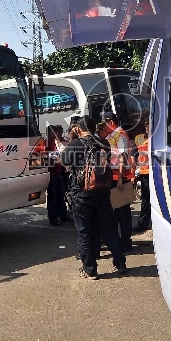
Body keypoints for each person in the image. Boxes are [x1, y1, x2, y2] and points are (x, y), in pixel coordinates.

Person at [60, 116, 127, 279]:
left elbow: (64, 161)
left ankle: (90, 270)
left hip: (82, 194)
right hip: (103, 192)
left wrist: (73, 139)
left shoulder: (75, 144)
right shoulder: (104, 143)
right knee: (110, 230)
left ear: (78, 128)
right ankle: (120, 263)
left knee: (84, 232)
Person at [100, 110, 134, 252]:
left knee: (123, 213)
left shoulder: (120, 136)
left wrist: (120, 178)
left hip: (121, 178)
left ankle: (126, 242)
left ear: (111, 122)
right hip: (114, 177)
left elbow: (123, 157)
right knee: (117, 212)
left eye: (105, 124)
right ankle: (120, 240)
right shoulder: (113, 135)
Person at [46, 125, 69, 226]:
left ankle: (63, 215)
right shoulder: (46, 143)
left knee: (61, 195)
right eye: (54, 132)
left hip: (59, 172)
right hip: (51, 174)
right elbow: (46, 156)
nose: (57, 134)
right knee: (52, 197)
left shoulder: (56, 142)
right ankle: (53, 218)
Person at [133, 117, 151, 233]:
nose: (147, 127)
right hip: (143, 173)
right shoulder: (139, 138)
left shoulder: (158, 138)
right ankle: (143, 224)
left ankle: (146, 223)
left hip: (155, 173)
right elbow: (134, 154)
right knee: (145, 200)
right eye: (146, 125)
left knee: (151, 200)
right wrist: (135, 168)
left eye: (149, 125)